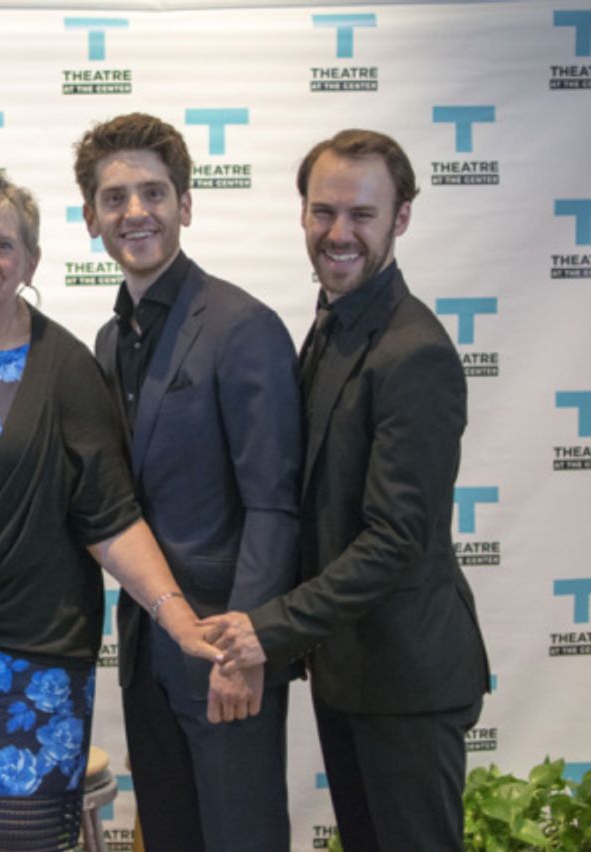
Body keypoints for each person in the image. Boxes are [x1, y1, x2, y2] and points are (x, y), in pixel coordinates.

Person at [0, 168, 221, 852]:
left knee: (17, 841)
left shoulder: (62, 367)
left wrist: (178, 615)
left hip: (25, 658)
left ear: (31, 261)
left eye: (4, 245)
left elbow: (108, 515)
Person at [202, 129, 490, 851]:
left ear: (401, 219)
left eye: (362, 214)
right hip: (350, 670)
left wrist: (269, 627)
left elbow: (396, 539)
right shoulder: (333, 323)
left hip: (408, 682)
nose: (339, 233)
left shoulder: (413, 351)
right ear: (302, 214)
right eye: (323, 211)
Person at [73, 112, 302, 851]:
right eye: (115, 198)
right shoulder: (110, 341)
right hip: (145, 650)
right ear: (91, 219)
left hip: (226, 649)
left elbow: (273, 505)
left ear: (185, 205)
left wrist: (247, 649)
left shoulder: (242, 325)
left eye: (153, 193)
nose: (134, 212)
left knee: (242, 837)